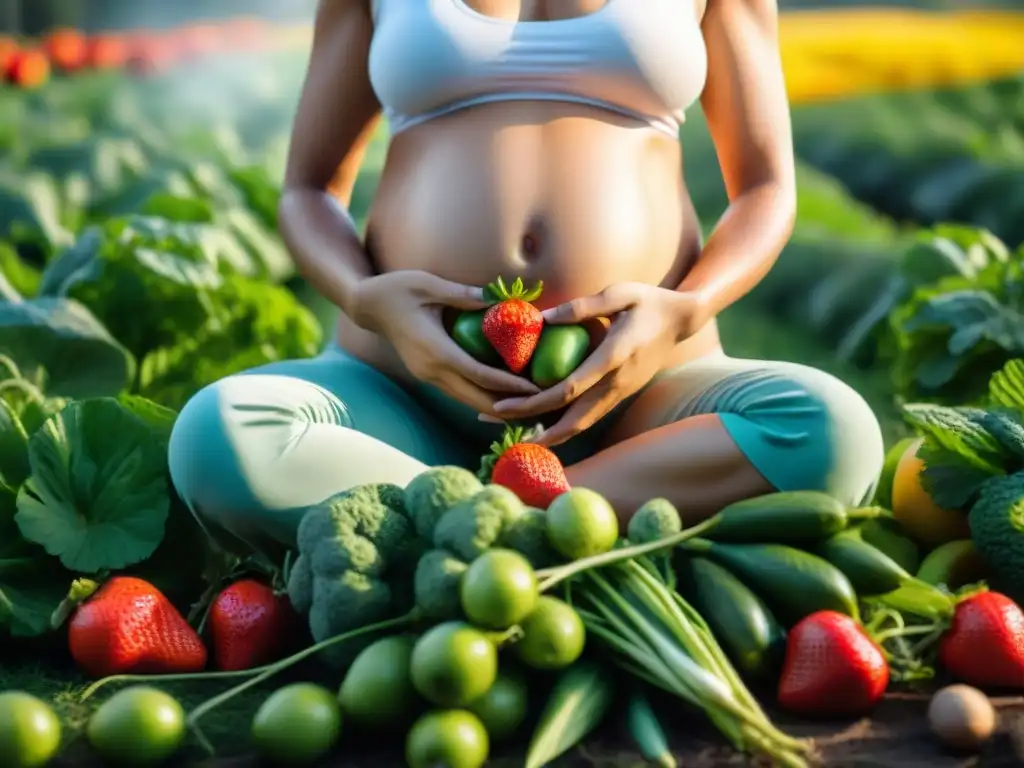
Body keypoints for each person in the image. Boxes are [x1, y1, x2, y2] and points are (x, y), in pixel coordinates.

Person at [168, 0, 884, 559]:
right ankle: (558, 526)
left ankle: (458, 522)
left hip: (639, 404)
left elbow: (764, 187)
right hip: (405, 399)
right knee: (216, 436)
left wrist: (685, 310)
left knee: (836, 431)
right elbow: (307, 189)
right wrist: (367, 300)